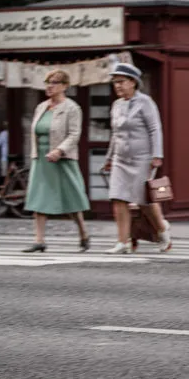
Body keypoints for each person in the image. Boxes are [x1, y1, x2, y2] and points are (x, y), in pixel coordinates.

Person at [103, 63, 170, 254]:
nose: (118, 86)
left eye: (121, 82)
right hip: (120, 158)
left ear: (133, 82)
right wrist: (109, 157)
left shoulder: (145, 102)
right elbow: (115, 134)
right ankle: (122, 242)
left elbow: (155, 128)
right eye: (115, 82)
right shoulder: (117, 105)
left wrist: (157, 155)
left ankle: (162, 230)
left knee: (144, 200)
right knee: (118, 198)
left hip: (142, 157)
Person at [21, 69, 90, 253]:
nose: (49, 86)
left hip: (62, 158)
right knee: (39, 198)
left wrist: (59, 150)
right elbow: (35, 131)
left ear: (65, 86)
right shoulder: (41, 107)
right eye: (48, 82)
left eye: (54, 82)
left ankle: (83, 233)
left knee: (71, 198)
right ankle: (39, 240)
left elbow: (75, 134)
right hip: (42, 158)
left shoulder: (72, 108)